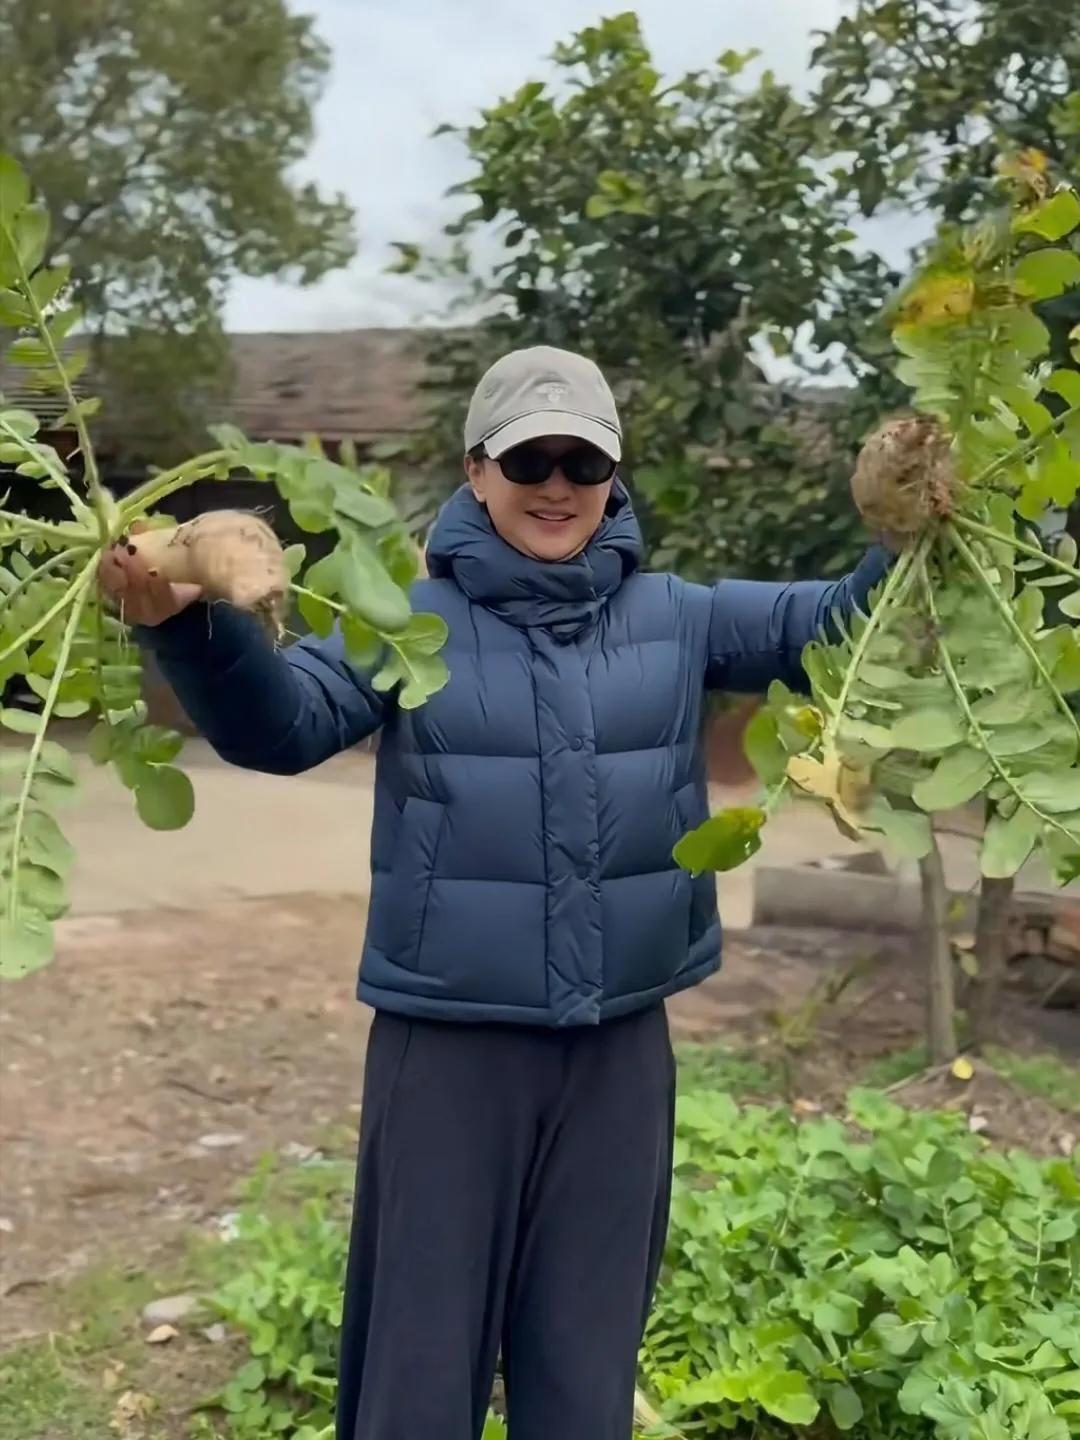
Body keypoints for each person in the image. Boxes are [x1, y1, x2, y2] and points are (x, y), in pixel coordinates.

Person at [98, 346, 891, 1440]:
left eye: (584, 462)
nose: (558, 485)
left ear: (614, 477)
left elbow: (846, 626)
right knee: (418, 1373)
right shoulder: (401, 623)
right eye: (531, 459)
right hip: (449, 1052)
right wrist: (184, 626)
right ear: (477, 472)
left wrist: (914, 530)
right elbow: (278, 727)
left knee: (584, 1366)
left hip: (619, 1055)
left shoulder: (681, 617)